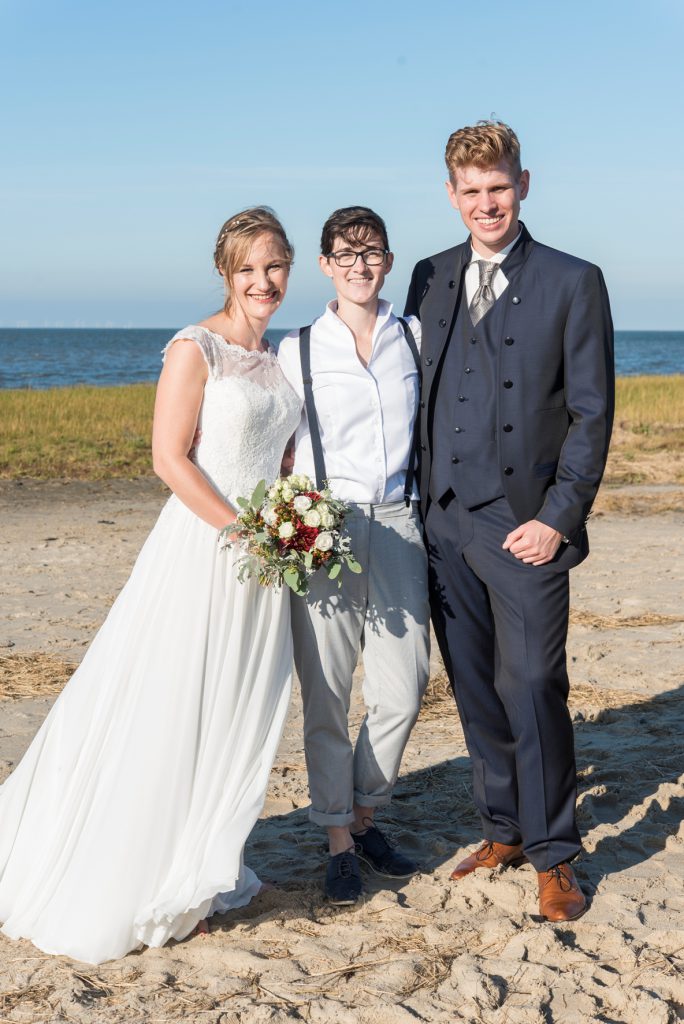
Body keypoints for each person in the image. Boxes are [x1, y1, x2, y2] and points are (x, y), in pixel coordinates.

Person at [0, 207, 302, 963]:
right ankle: (144, 872)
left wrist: (296, 522)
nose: (263, 282)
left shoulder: (282, 356)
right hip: (207, 549)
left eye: (274, 267)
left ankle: (201, 866)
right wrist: (242, 532)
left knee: (234, 708)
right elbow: (171, 460)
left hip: (268, 558)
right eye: (248, 270)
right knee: (173, 701)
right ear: (225, 274)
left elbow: (285, 457)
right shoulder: (194, 348)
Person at [404, 122, 614, 921]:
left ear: (523, 184)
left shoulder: (574, 280)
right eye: (471, 191)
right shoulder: (428, 276)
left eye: (499, 187)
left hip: (527, 525)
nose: (486, 203)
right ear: (451, 194)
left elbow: (593, 414)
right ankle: (505, 828)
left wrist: (559, 518)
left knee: (532, 685)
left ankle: (556, 854)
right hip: (444, 522)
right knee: (474, 687)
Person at [277, 207, 430, 906]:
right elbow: (277, 446)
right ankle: (341, 841)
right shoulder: (298, 348)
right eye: (345, 254)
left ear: (389, 261)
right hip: (325, 528)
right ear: (325, 265)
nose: (359, 264)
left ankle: (364, 809)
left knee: (404, 688)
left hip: (400, 520)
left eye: (371, 253)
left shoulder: (416, 338)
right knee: (328, 697)